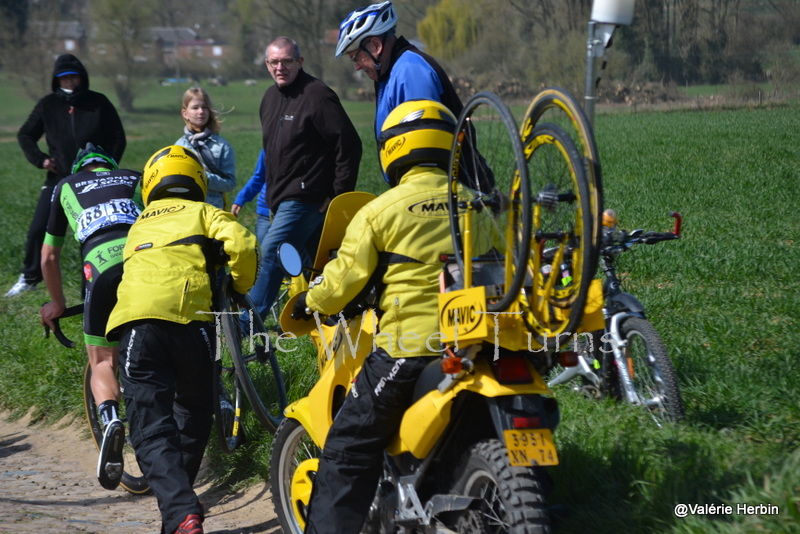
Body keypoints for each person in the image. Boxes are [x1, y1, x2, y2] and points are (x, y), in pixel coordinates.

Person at [295, 100, 494, 534]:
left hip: (410, 348)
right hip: (478, 343)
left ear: (394, 148)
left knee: (347, 448)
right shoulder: (476, 205)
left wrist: (311, 300)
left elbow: (342, 282)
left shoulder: (380, 211)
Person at [105, 145, 259, 534]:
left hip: (140, 326)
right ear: (197, 180)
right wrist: (239, 287)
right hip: (195, 326)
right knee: (193, 413)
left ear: (152, 185)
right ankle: (180, 511)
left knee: (149, 422)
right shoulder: (205, 211)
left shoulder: (138, 224)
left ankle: (181, 511)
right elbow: (243, 245)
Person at [39, 143, 142, 491]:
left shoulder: (65, 186)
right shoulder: (134, 176)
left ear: (80, 168)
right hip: (143, 262)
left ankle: (111, 416)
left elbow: (49, 258)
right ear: (110, 166)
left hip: (98, 268)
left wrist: (56, 303)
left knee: (102, 362)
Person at [248, 36, 362, 322]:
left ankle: (244, 327)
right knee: (321, 268)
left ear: (299, 62)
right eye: (274, 62)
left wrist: (337, 194)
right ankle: (338, 324)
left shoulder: (317, 96)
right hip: (281, 198)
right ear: (266, 64)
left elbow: (349, 144)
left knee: (272, 253)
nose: (280, 67)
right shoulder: (269, 98)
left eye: (287, 61)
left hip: (307, 199)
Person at [10, 53, 126, 297]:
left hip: (96, 180)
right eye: (64, 77)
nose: (70, 81)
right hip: (59, 179)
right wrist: (41, 160)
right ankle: (29, 278)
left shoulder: (99, 102)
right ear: (56, 80)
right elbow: (25, 134)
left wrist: (108, 165)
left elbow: (118, 137)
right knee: (37, 229)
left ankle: (109, 275)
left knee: (104, 229)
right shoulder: (47, 105)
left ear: (82, 77)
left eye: (73, 76)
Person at [174, 86, 236, 210]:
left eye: (204, 107)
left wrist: (201, 177)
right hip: (187, 211)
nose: (201, 111)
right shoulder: (179, 147)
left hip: (214, 211)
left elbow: (230, 184)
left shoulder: (222, 145)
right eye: (195, 108)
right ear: (185, 113)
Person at [230, 148, 270, 244]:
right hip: (266, 212)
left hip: (292, 210)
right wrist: (241, 198)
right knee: (263, 253)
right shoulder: (269, 147)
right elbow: (259, 177)